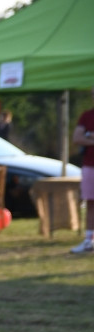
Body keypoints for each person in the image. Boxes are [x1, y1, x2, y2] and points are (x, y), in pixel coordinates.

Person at [71, 87, 94, 253]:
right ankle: (89, 241)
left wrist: (89, 137)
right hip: (89, 166)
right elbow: (77, 137)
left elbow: (83, 137)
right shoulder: (87, 116)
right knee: (91, 203)